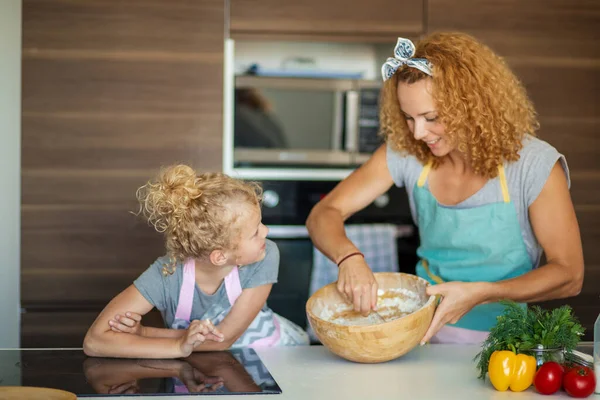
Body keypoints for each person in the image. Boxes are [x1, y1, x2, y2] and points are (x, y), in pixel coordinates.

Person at [305, 32, 584, 345]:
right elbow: (324, 213)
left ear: (472, 105)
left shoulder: (533, 164)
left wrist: (482, 293)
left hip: (505, 342)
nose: (418, 132)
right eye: (408, 117)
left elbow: (569, 275)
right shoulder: (406, 151)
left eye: (431, 117)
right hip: (420, 335)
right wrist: (349, 259)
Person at [83, 165, 309, 359]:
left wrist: (145, 334)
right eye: (255, 232)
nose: (266, 232)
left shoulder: (265, 255)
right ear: (219, 256)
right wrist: (176, 346)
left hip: (274, 354)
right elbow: (95, 341)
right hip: (205, 370)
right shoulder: (167, 273)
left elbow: (222, 339)